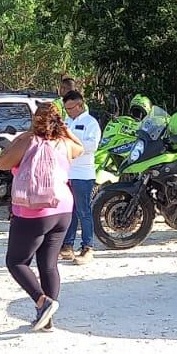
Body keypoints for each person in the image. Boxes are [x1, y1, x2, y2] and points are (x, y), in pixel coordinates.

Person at [0, 102, 83, 330]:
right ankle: (47, 320)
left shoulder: (27, 140)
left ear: (35, 119)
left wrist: (21, 137)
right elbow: (80, 148)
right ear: (59, 120)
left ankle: (42, 302)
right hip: (62, 208)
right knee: (49, 264)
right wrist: (63, 129)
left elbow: (2, 163)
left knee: (16, 261)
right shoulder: (65, 143)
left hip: (33, 210)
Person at [60, 91, 101, 265]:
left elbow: (91, 146)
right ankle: (67, 245)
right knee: (68, 211)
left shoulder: (91, 123)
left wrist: (71, 141)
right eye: (66, 108)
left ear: (80, 105)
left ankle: (87, 247)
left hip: (83, 174)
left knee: (83, 211)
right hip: (66, 172)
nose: (68, 111)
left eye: (71, 108)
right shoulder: (67, 121)